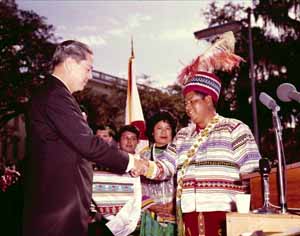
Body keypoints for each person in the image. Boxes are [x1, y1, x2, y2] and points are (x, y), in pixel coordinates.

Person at [134, 32, 261, 236]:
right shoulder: (184, 135)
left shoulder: (235, 129)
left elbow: (254, 175)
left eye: (192, 101)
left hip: (226, 216)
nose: (187, 107)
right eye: (185, 102)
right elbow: (165, 166)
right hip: (188, 216)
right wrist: (142, 166)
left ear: (208, 100)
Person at [22, 40, 145, 236]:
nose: (90, 76)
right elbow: (88, 144)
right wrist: (132, 161)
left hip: (60, 206)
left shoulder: (53, 94)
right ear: (70, 63)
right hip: (57, 211)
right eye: (88, 69)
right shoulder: (56, 96)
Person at [139, 110, 177, 236]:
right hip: (150, 213)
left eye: (168, 128)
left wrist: (174, 204)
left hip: (175, 213)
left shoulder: (181, 154)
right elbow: (136, 187)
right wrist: (150, 205)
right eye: (159, 128)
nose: (164, 132)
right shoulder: (142, 156)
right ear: (152, 132)